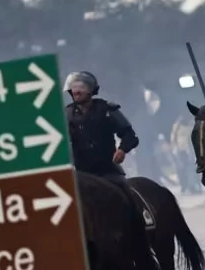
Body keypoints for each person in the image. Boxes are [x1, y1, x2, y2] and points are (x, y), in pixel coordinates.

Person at [64, 71, 149, 228]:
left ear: (90, 90)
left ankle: (143, 227)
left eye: (80, 87)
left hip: (108, 171)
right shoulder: (66, 115)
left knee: (128, 199)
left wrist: (122, 150)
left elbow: (130, 135)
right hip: (81, 174)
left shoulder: (107, 110)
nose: (75, 91)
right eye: (73, 88)